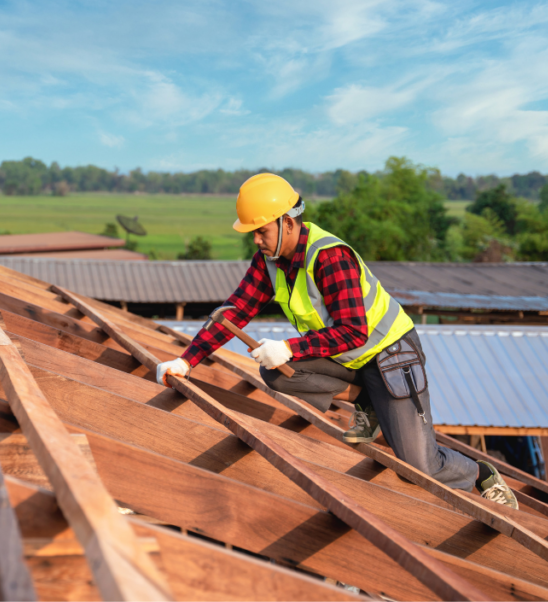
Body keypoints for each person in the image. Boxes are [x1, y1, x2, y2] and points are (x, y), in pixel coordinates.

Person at [155, 173, 519, 509]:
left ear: (288, 223)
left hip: (390, 355)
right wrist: (186, 361)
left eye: (261, 230)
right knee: (277, 373)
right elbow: (234, 312)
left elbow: (354, 332)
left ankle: (479, 473)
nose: (256, 239)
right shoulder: (269, 260)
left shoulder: (329, 256)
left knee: (417, 465)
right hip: (349, 359)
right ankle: (369, 404)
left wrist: (290, 347)